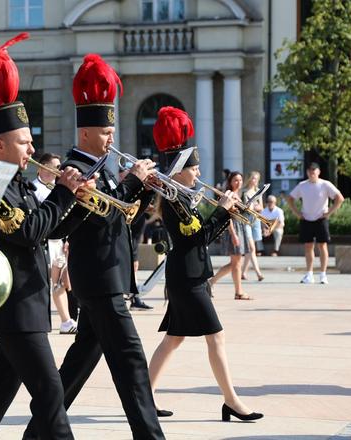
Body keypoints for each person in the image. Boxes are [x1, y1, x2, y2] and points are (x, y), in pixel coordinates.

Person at [24, 53, 165, 440]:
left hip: (107, 275)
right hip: (98, 280)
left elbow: (118, 218)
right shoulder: (74, 168)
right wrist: (132, 183)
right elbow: (88, 218)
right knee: (132, 364)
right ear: (86, 132)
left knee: (81, 360)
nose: (111, 138)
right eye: (105, 133)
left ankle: (38, 431)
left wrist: (140, 192)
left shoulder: (99, 169)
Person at [0, 33, 87, 440]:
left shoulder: (19, 182)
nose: (32, 147)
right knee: (50, 394)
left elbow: (48, 230)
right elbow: (28, 231)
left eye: (30, 139)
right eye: (23, 141)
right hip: (14, 305)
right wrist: (63, 192)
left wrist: (77, 202)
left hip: (27, 301)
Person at [147, 106, 263, 422]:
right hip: (186, 278)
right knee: (216, 336)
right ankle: (232, 401)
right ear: (181, 169)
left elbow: (200, 235)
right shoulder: (174, 199)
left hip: (193, 274)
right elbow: (198, 239)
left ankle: (145, 396)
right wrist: (224, 211)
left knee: (174, 338)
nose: (198, 174)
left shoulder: (183, 196)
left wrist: (227, 211)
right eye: (194, 169)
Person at [31, 153, 78, 334]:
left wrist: (67, 238)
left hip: (58, 240)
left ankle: (66, 321)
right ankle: (62, 321)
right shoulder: (35, 188)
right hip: (45, 241)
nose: (59, 170)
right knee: (50, 283)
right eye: (55, 166)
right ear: (42, 167)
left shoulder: (57, 187)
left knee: (59, 283)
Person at [287, 162, 344, 284]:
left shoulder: (325, 184)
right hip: (306, 219)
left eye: (314, 170)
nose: (312, 172)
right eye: (309, 170)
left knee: (322, 246)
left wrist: (329, 212)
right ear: (307, 172)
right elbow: (290, 198)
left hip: (320, 219)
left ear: (318, 172)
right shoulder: (302, 185)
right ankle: (309, 274)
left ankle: (323, 275)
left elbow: (339, 198)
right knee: (308, 246)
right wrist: (297, 213)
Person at [209, 171, 253, 300]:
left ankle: (211, 282)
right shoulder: (228, 195)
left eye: (240, 180)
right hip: (232, 229)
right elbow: (227, 216)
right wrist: (233, 234)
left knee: (236, 263)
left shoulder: (242, 194)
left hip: (241, 228)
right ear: (230, 182)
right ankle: (238, 292)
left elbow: (245, 214)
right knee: (236, 263)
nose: (238, 183)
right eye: (235, 180)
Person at [119, 166, 154, 311]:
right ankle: (132, 297)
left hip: (136, 233)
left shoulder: (136, 187)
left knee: (134, 266)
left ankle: (134, 297)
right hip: (129, 233)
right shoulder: (122, 188)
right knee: (132, 266)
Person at [240, 171, 265, 280]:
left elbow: (261, 208)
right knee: (252, 248)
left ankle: (243, 273)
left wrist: (253, 207)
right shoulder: (244, 192)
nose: (254, 181)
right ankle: (258, 273)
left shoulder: (258, 192)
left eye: (256, 179)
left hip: (256, 221)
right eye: (253, 178)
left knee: (250, 250)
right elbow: (243, 208)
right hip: (246, 220)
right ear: (249, 179)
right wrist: (252, 207)